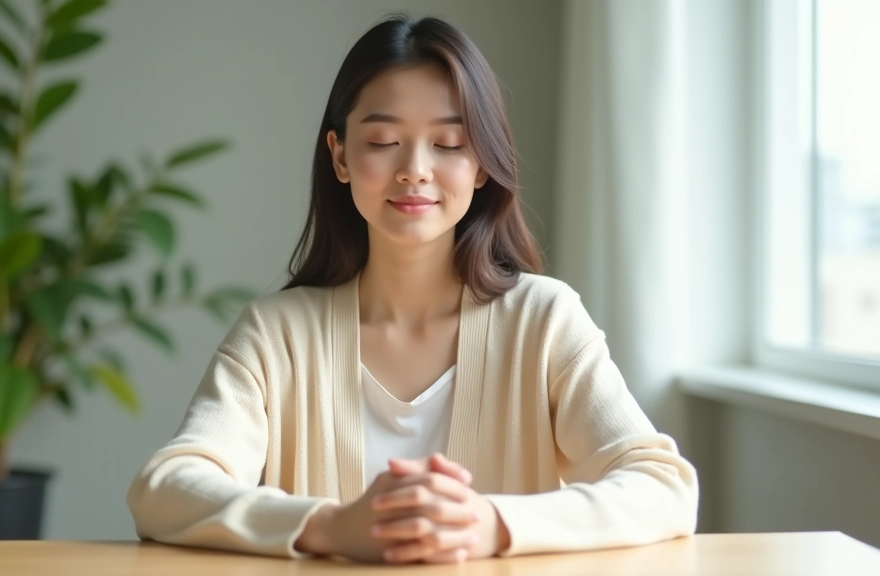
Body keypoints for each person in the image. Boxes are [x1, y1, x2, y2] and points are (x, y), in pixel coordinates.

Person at [126, 14, 698, 565]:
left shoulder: (544, 321)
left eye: (448, 143)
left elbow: (664, 486)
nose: (415, 169)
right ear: (340, 155)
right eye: (383, 141)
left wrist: (490, 525)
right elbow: (164, 488)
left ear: (481, 164)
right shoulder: (276, 335)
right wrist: (330, 527)